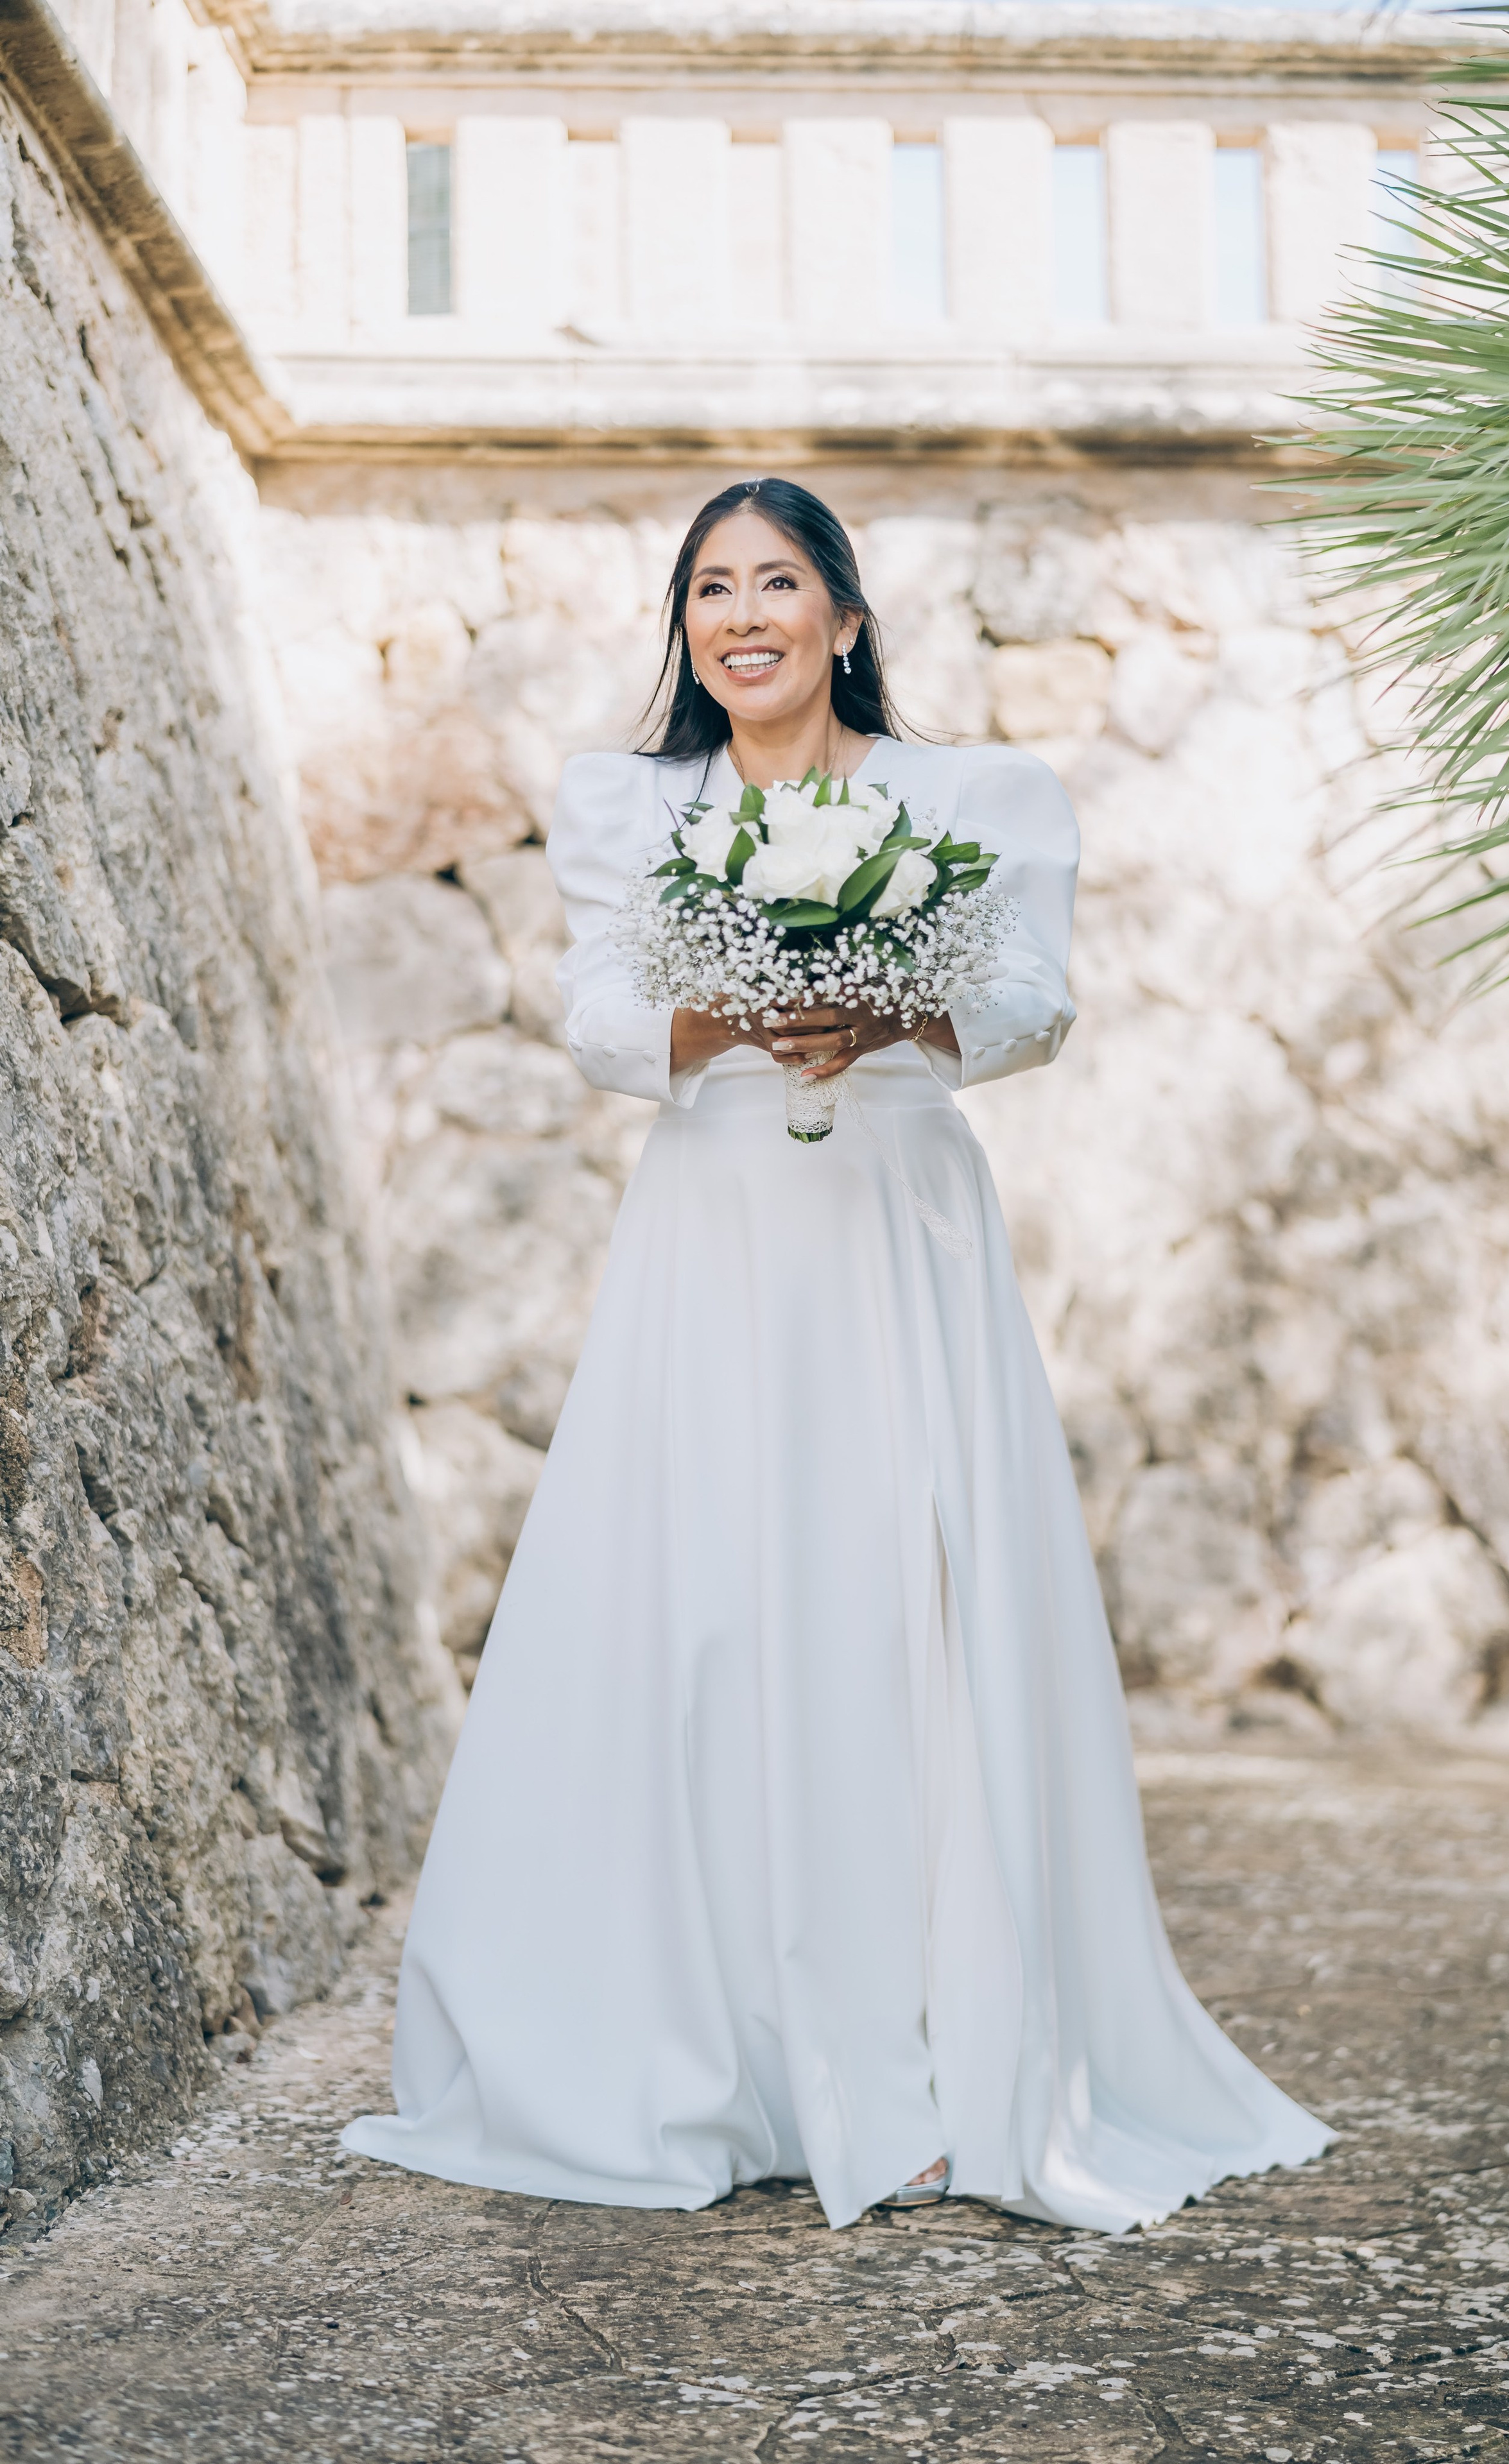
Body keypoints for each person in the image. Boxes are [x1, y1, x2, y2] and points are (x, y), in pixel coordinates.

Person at [341, 477, 1331, 2229]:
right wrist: (731, 1006)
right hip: (716, 1237)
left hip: (896, 1232)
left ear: (846, 619)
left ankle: (929, 2060)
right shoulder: (631, 805)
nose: (743, 615)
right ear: (689, 628)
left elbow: (1033, 1002)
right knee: (707, 1616)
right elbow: (594, 1017)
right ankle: (719, 2052)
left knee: (901, 1616)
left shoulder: (968, 799)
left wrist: (886, 1009)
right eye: (710, 587)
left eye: (777, 583)